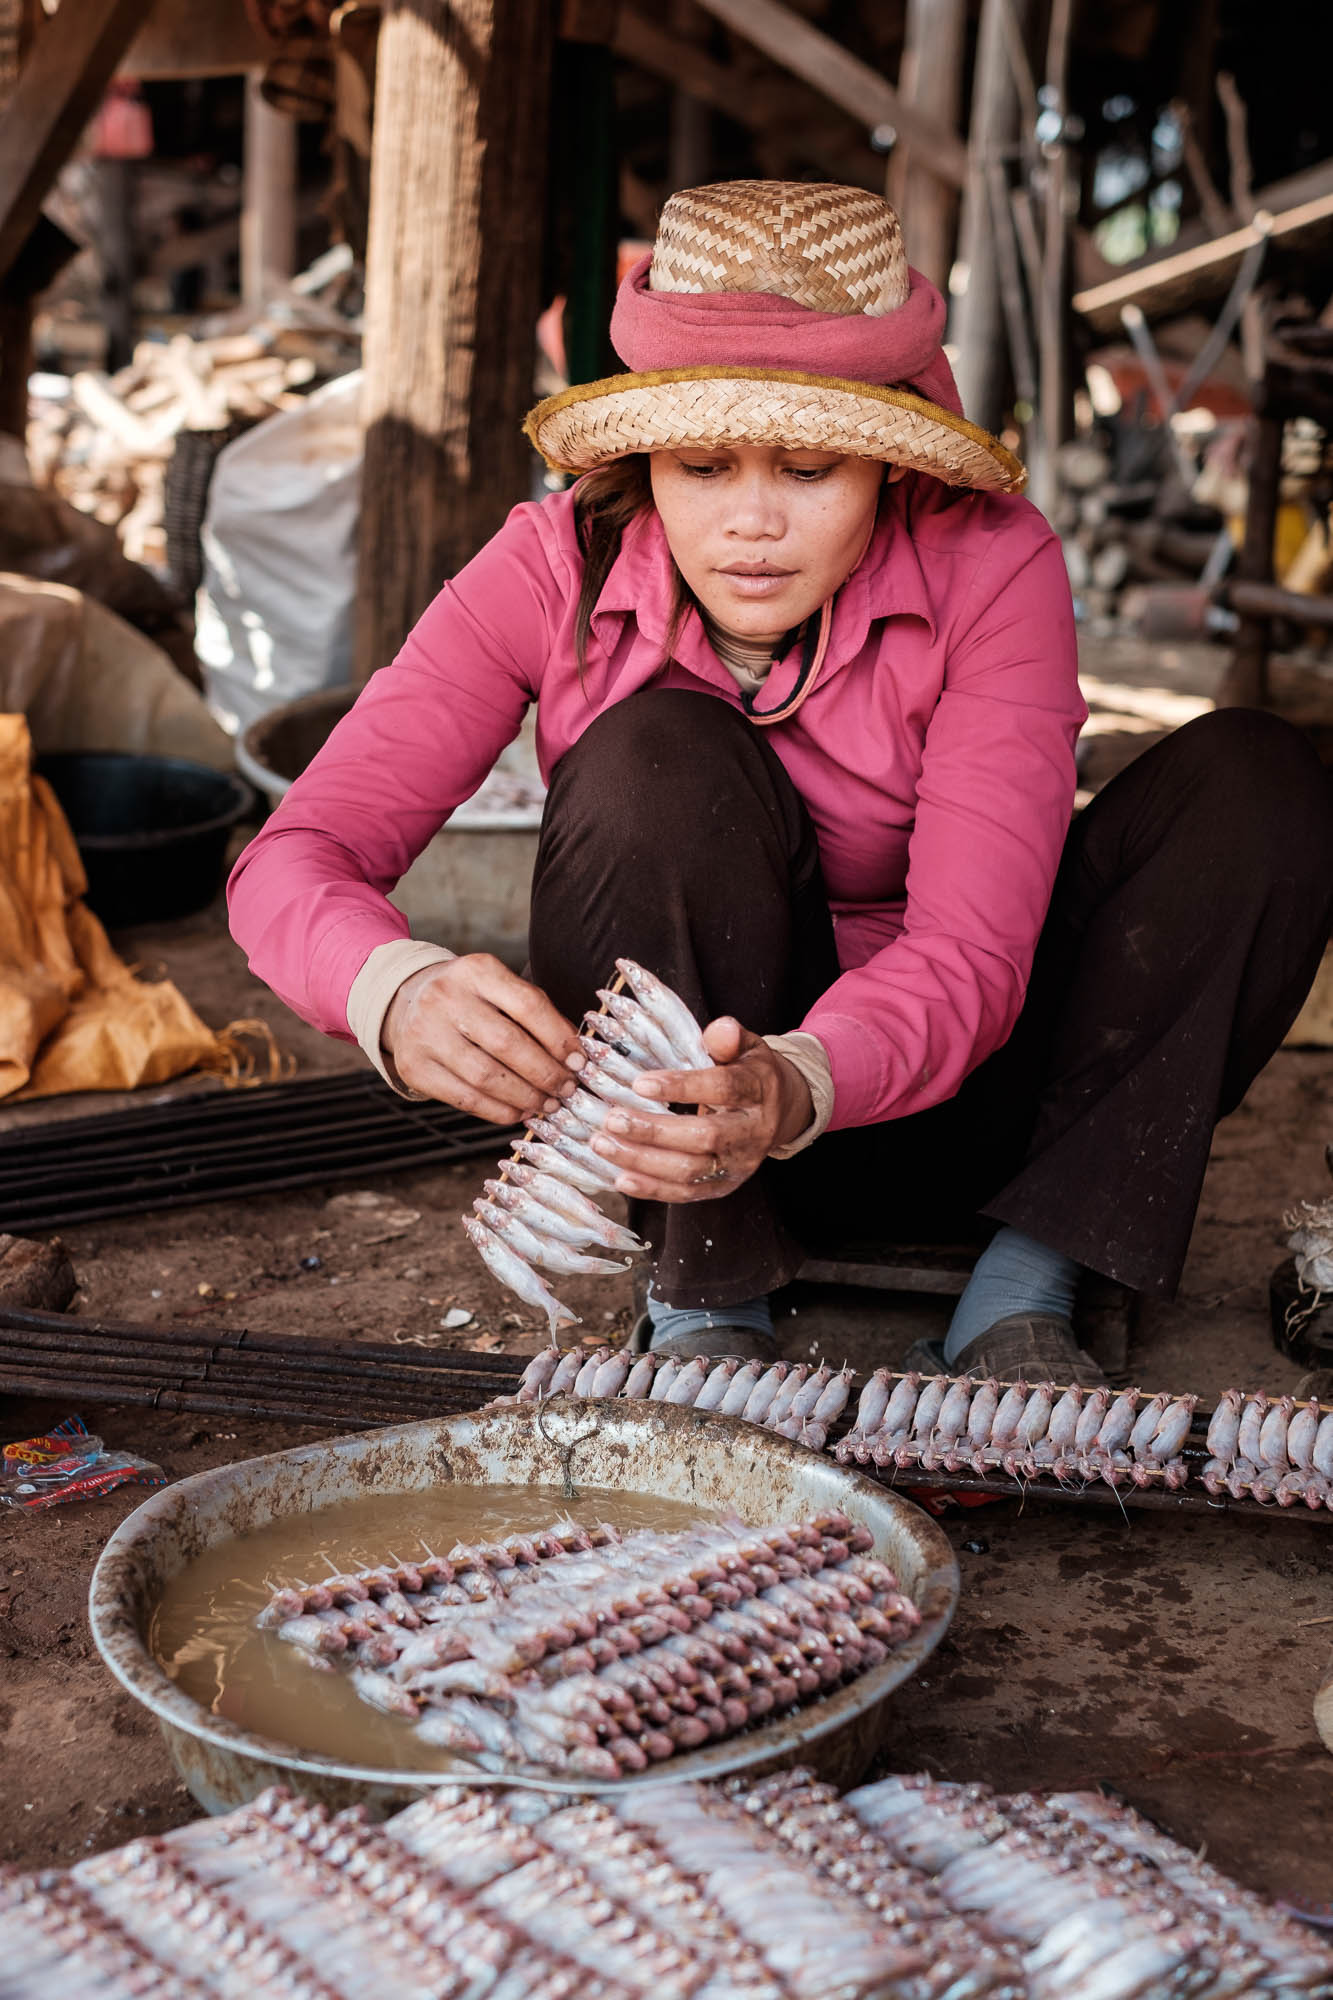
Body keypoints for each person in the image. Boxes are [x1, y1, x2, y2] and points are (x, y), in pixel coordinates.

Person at [228, 180, 1333, 1384]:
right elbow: (291, 857)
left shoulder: (992, 562)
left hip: (969, 1099)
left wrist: (795, 1078)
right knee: (657, 753)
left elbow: (972, 952)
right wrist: (392, 987)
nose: (751, 522)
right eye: (702, 465)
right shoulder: (548, 565)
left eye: (811, 467)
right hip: (678, 1132)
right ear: (644, 454)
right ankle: (707, 1298)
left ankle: (1030, 1273)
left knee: (1257, 782)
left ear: (887, 461)